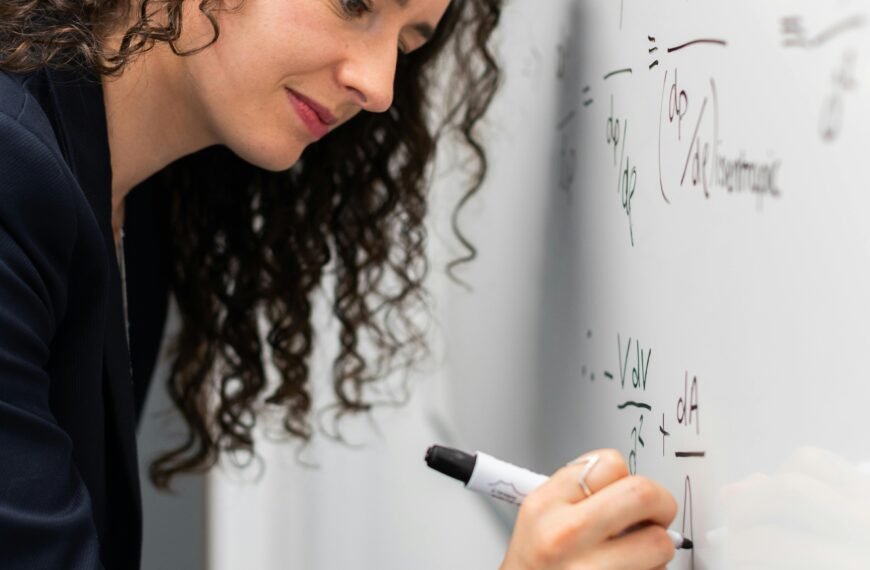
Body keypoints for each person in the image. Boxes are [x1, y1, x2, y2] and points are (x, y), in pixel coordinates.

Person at [0, 0, 678, 568]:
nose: (381, 86)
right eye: (355, 3)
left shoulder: (135, 195)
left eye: (409, 44)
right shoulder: (14, 177)